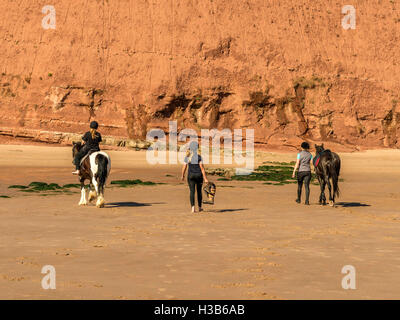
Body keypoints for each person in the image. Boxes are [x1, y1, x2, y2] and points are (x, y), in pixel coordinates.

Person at [181, 141, 209, 213]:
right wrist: (205, 178)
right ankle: (199, 207)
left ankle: (193, 208)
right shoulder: (199, 157)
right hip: (199, 176)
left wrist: (182, 175)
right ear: (197, 148)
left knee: (192, 191)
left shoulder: (187, 157)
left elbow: (184, 167)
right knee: (199, 192)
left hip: (190, 176)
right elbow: (202, 168)